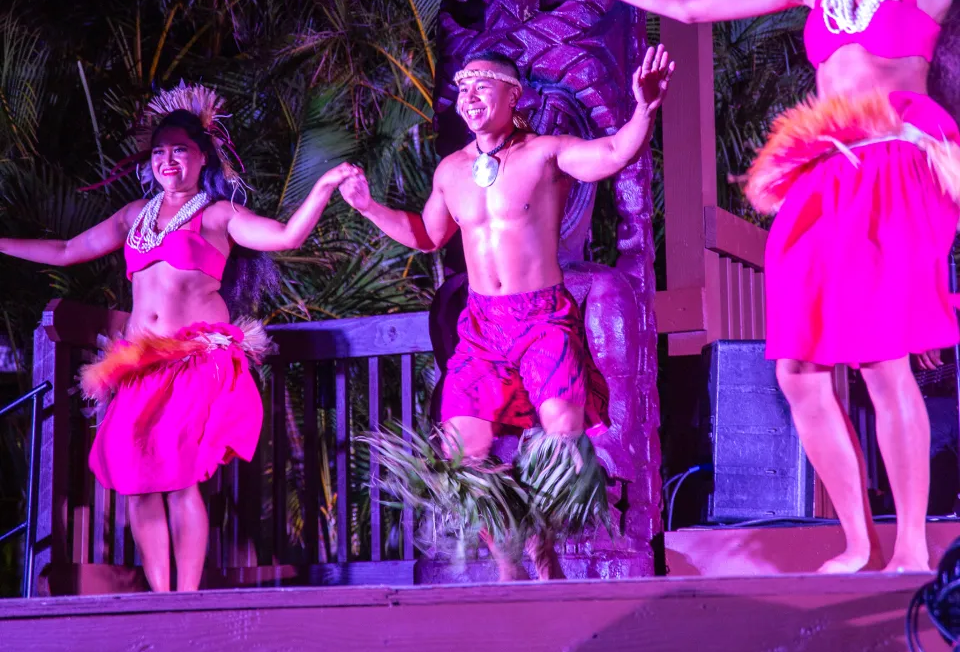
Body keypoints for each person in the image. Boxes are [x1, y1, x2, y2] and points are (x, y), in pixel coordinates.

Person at [528, 0, 960, 574]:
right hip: (824, 173)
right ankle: (856, 539)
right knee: (796, 364)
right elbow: (689, 5)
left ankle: (909, 546)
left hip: (901, 167)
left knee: (880, 354)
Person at [0, 82, 354, 591]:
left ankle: (186, 599)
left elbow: (284, 237)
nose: (169, 160)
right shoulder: (133, 217)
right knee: (138, 485)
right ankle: (159, 596)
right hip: (139, 366)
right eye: (161, 151)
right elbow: (62, 250)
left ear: (202, 155)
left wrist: (322, 187)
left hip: (195, 362)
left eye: (180, 150)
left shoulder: (217, 215)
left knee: (180, 477)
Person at [339, 44, 674, 579]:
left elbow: (612, 153)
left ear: (513, 94)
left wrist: (644, 109)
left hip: (542, 319)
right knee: (462, 455)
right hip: (481, 328)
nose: (468, 96)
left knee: (560, 437)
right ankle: (510, 561)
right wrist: (368, 206)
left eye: (482, 85)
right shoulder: (451, 171)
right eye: (462, 87)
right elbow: (428, 236)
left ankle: (544, 549)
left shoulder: (545, 152)